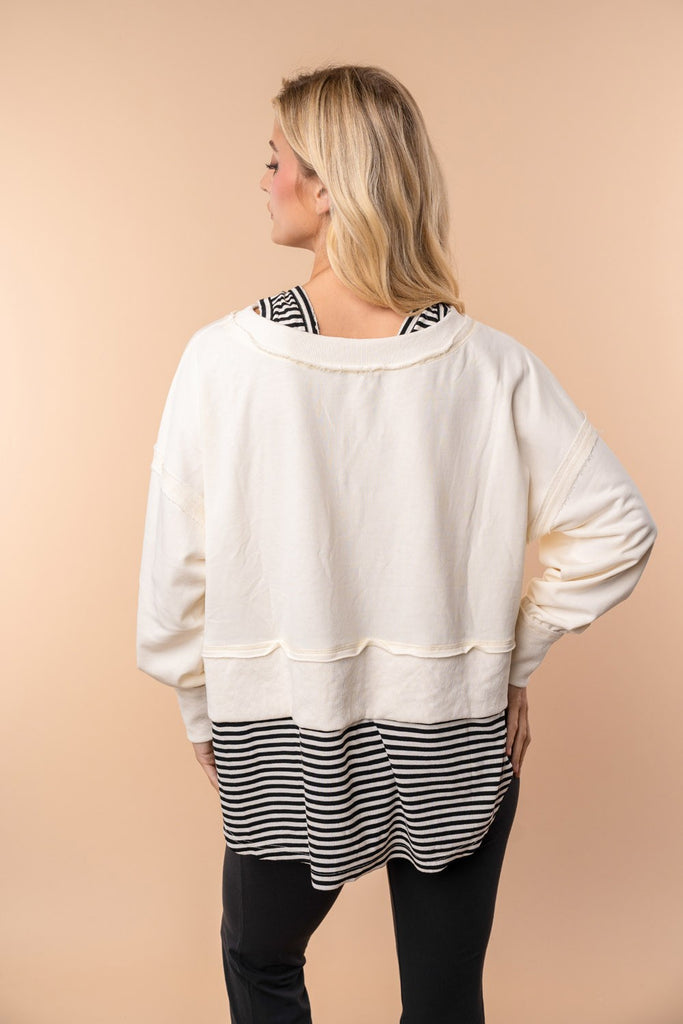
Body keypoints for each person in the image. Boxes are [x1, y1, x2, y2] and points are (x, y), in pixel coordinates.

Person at [136, 63, 658, 1024]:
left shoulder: (221, 363)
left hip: (283, 733)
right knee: (445, 1002)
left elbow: (177, 575)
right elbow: (617, 528)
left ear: (328, 184)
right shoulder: (487, 365)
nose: (263, 179)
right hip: (455, 730)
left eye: (276, 159)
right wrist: (511, 660)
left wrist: (199, 711)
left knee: (259, 959)